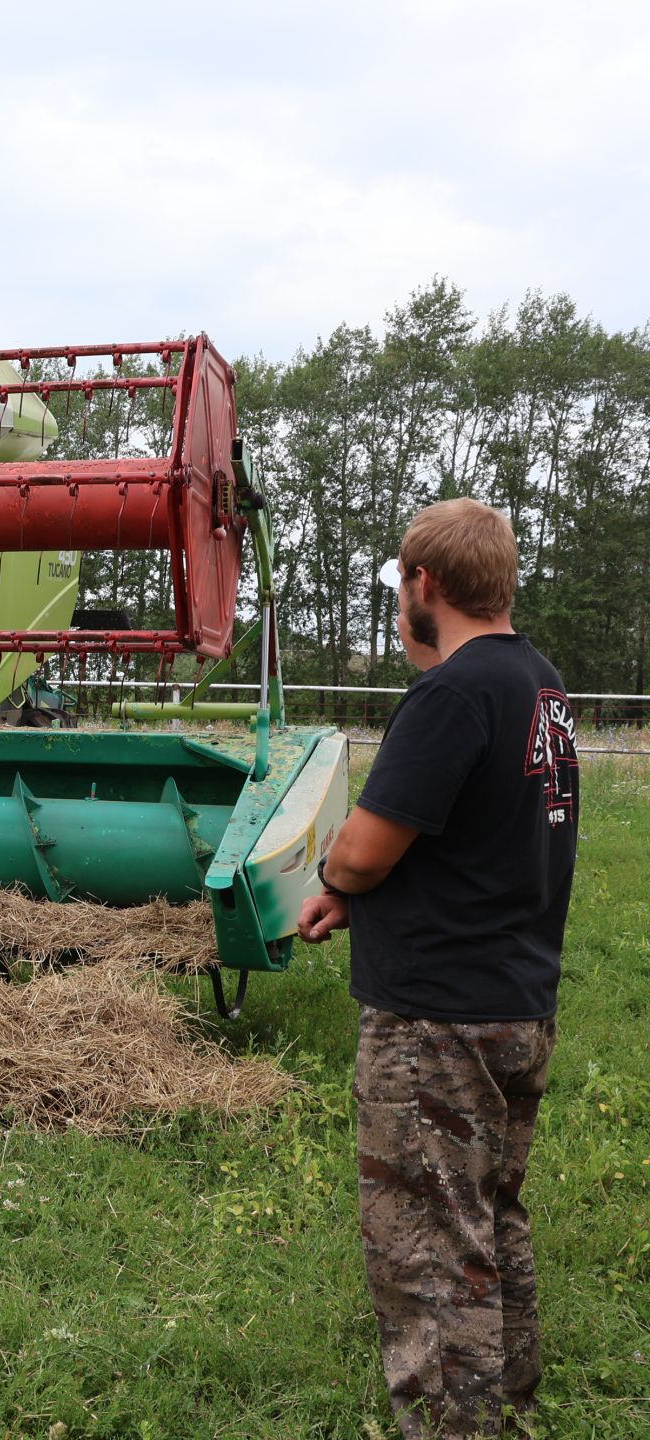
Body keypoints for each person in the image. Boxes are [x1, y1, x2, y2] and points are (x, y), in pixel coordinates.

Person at [299, 498, 580, 1439]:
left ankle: (459, 1427)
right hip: (515, 1005)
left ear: (426, 584)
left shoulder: (454, 693)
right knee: (492, 1216)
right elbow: (475, 838)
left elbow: (367, 849)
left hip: (437, 1022)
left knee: (427, 1246)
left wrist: (341, 876)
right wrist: (362, 895)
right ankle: (512, 1405)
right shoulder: (539, 685)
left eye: (401, 586)